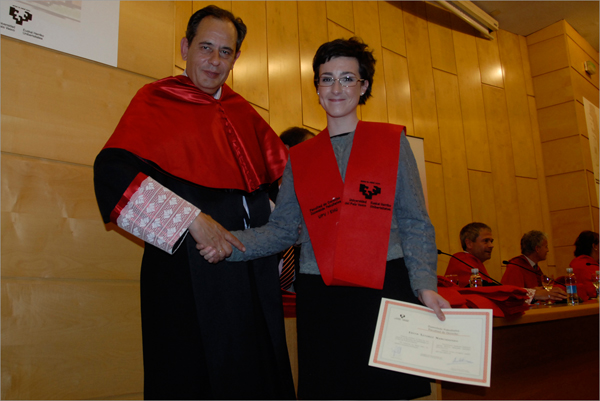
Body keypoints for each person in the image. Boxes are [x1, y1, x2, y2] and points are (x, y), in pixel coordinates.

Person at [200, 37, 449, 400]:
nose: (336, 88)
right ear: (317, 88)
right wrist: (227, 244)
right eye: (327, 78)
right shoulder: (301, 158)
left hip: (385, 288)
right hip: (322, 296)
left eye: (347, 79)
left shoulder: (390, 142)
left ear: (363, 86)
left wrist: (425, 284)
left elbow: (415, 222)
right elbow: (283, 230)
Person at [93, 5, 295, 400]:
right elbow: (112, 175)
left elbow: (283, 184)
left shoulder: (245, 114)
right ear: (186, 47)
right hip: (186, 272)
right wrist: (190, 219)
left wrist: (271, 235)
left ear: (236, 58)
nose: (215, 60)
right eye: (206, 47)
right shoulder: (155, 100)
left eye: (225, 52)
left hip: (250, 275)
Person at [275, 127, 315, 292]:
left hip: (304, 283)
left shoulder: (315, 196)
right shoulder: (260, 195)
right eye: (309, 150)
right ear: (286, 150)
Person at [501, 230, 567, 303]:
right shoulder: (516, 267)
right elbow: (511, 295)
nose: (548, 250)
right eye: (546, 246)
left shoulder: (534, 266)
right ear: (537, 249)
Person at [444, 222, 496, 287]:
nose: (491, 245)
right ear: (469, 244)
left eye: (491, 241)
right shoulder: (461, 261)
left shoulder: (475, 262)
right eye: (486, 241)